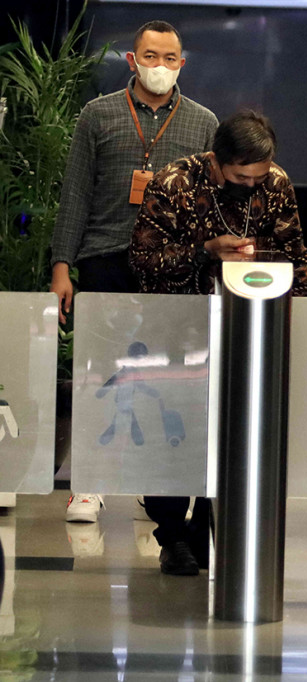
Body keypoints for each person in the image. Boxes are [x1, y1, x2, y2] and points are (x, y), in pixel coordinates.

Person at [49, 20, 218, 525]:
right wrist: (62, 266)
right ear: (132, 59)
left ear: (182, 63)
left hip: (174, 266)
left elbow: (212, 203)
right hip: (106, 256)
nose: (160, 66)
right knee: (99, 374)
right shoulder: (98, 114)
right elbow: (75, 193)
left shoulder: (204, 122)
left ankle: (160, 488)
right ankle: (90, 483)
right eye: (150, 56)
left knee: (169, 380)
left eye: (169, 58)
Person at [129, 110, 307, 574]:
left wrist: (295, 318)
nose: (250, 186)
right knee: (174, 433)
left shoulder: (276, 185)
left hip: (246, 329)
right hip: (176, 328)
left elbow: (295, 259)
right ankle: (171, 534)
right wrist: (204, 251)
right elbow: (143, 260)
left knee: (231, 432)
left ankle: (209, 528)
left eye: (257, 179)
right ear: (216, 161)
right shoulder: (174, 183)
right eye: (240, 178)